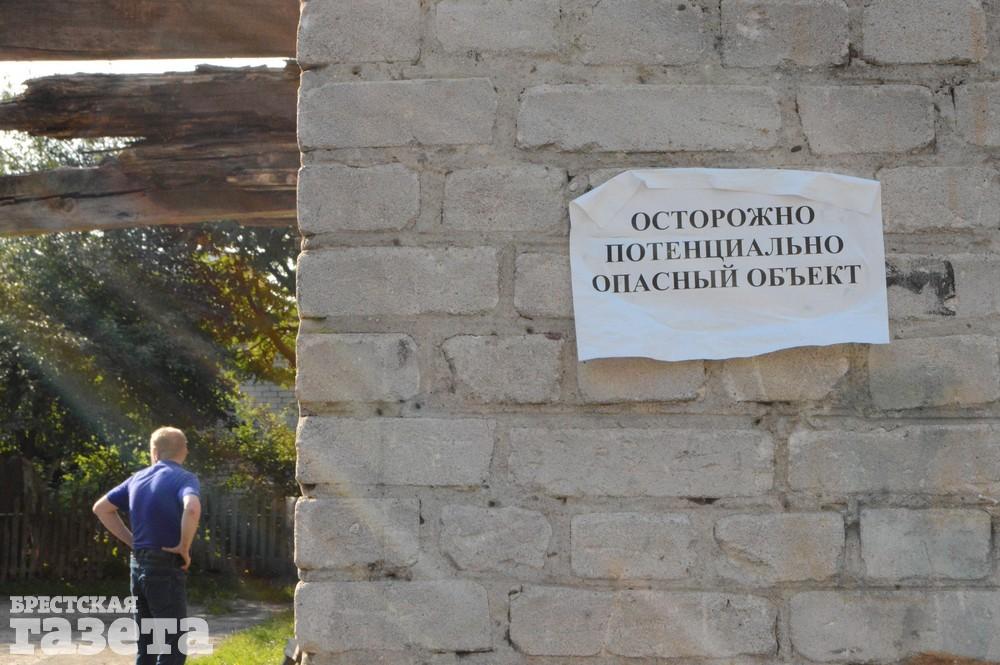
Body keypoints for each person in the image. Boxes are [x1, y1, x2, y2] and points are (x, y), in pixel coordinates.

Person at [93, 427, 202, 665]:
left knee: (147, 645)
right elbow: (192, 507)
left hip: (138, 563)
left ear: (154, 452)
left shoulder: (137, 478)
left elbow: (101, 508)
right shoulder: (185, 478)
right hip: (166, 566)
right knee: (173, 648)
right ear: (184, 451)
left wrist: (133, 541)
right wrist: (184, 547)